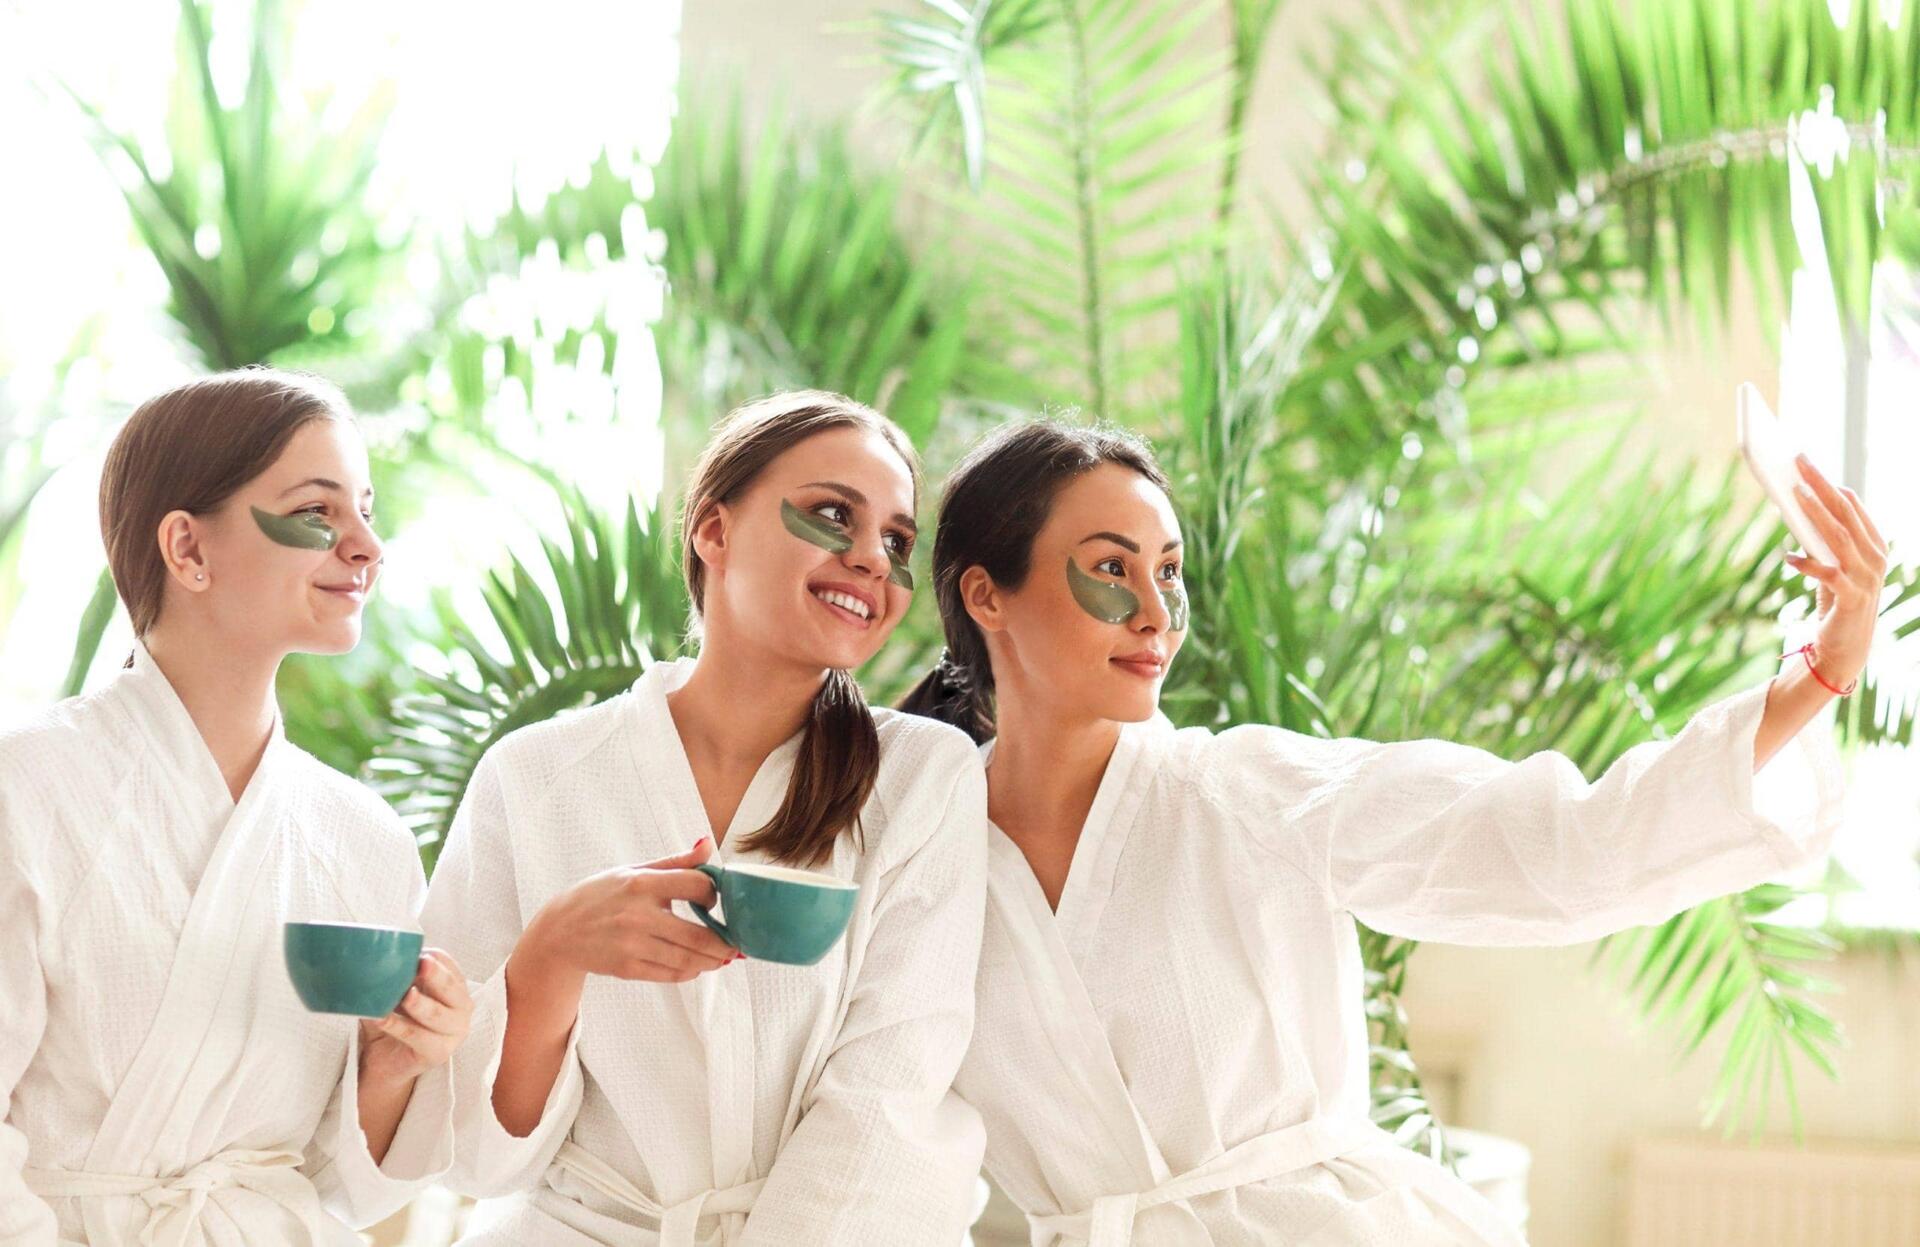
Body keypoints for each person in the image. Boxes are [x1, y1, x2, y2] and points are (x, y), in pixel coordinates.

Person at [900, 419, 1873, 1245]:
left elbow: (1560, 845)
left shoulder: (1242, 791)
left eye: (1169, 570)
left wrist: (1817, 672)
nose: (1157, 612)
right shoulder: (926, 857)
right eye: (1111, 569)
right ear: (988, 594)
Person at [423, 390, 989, 1245]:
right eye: (836, 514)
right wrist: (550, 957)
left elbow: (888, 1094)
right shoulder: (534, 778)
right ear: (714, 531)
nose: (874, 558)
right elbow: (471, 1153)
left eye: (899, 541)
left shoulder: (920, 778)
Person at [0, 368, 470, 1245]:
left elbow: (337, 1185)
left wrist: (395, 1063)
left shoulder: (363, 838)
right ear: (187, 549)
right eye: (319, 512)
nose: (367, 544)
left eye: (366, 509)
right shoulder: (25, 790)